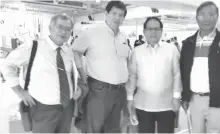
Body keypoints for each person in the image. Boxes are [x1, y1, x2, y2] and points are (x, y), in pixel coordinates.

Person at [1, 14, 81, 133]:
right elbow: (7, 65)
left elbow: (67, 74)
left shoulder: (68, 51)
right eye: (60, 27)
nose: (64, 32)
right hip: (43, 108)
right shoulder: (33, 46)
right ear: (50, 28)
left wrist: (75, 86)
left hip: (67, 107)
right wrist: (20, 91)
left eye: (68, 29)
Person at [180, 1, 220, 133]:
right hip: (195, 100)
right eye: (202, 15)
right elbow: (184, 72)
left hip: (218, 102)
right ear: (196, 17)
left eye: (211, 15)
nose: (206, 19)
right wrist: (184, 97)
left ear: (217, 17)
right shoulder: (188, 43)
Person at [72, 1, 129, 133]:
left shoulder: (123, 36)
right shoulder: (92, 32)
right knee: (94, 128)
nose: (117, 17)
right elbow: (75, 51)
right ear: (106, 14)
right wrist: (82, 75)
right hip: (99, 90)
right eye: (114, 13)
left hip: (120, 91)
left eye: (121, 15)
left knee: (114, 129)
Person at [126, 17, 182, 133]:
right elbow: (132, 76)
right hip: (143, 104)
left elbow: (177, 74)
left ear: (161, 31)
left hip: (167, 104)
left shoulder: (171, 49)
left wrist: (177, 97)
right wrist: (130, 98)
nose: (153, 32)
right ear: (144, 32)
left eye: (156, 29)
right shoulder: (136, 51)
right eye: (149, 29)